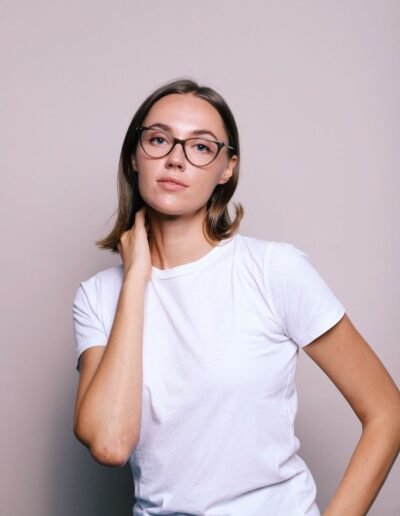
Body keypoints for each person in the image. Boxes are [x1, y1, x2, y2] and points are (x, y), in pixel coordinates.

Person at [72, 79, 400, 516]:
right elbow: (110, 443)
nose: (175, 158)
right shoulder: (98, 297)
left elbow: (387, 413)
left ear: (226, 169)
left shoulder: (273, 270)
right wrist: (135, 279)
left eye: (201, 147)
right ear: (135, 156)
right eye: (159, 139)